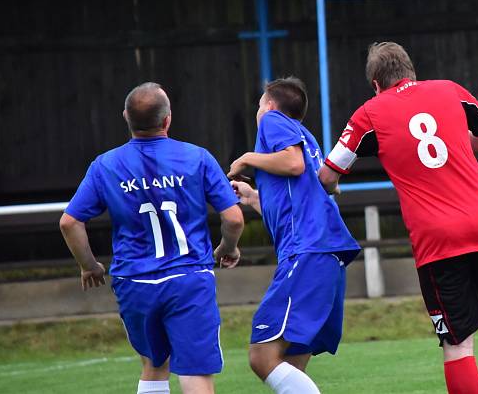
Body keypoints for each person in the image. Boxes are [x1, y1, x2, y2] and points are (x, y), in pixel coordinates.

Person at [318, 42, 478, 394]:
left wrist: (334, 188)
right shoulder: (449, 90)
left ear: (375, 83)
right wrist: (456, 138)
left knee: (457, 342)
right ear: (410, 70)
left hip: (439, 238)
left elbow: (327, 175)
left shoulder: (368, 113)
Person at [59, 82, 245, 394]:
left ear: (125, 118)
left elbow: (69, 222)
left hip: (135, 281)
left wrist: (89, 266)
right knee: (195, 370)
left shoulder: (105, 165)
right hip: (188, 278)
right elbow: (234, 218)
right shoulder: (197, 157)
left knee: (154, 364)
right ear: (167, 119)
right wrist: (227, 247)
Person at [227, 77, 361, 394]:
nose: (259, 110)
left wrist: (246, 158)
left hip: (308, 252)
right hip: (324, 253)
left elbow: (292, 163)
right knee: (288, 361)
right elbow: (302, 196)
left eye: (260, 103)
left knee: (262, 355)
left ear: (271, 106)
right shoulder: (308, 136)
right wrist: (253, 197)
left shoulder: (273, 122)